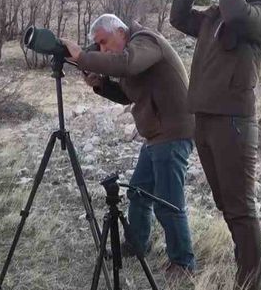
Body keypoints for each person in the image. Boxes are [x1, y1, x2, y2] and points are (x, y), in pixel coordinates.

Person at [170, 0, 261, 290]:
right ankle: (244, 270)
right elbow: (177, 18)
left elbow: (240, 13)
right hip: (203, 117)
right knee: (225, 203)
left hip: (233, 119)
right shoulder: (215, 17)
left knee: (240, 207)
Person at [63, 14, 195, 274]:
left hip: (172, 132)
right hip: (157, 133)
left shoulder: (145, 41)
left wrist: (82, 57)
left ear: (120, 31)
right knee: (138, 192)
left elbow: (127, 64)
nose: (103, 49)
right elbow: (128, 95)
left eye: (104, 42)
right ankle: (136, 244)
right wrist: (101, 84)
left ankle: (183, 263)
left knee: (167, 201)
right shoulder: (131, 51)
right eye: (97, 46)